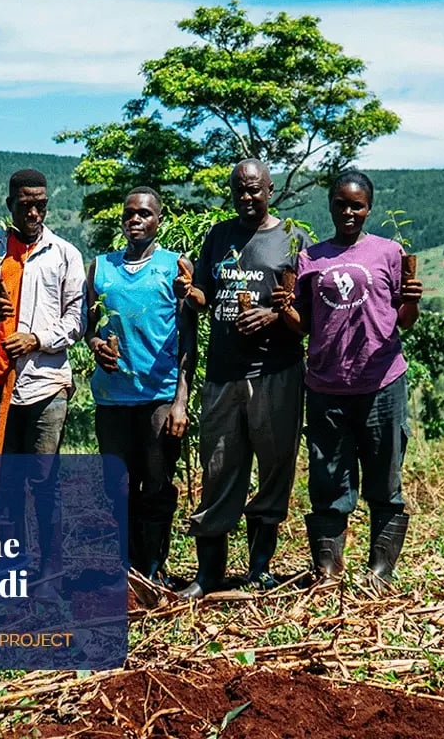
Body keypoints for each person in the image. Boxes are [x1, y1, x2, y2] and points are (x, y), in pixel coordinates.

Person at [278, 169, 422, 586]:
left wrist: (412, 302)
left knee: (384, 479)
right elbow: (302, 325)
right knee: (327, 481)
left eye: (356, 205)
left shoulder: (389, 253)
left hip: (381, 382)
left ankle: (381, 570)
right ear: (330, 205)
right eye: (341, 203)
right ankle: (328, 568)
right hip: (326, 386)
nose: (348, 211)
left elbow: (403, 320)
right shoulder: (311, 258)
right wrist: (285, 310)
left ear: (368, 208)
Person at [175, 159, 310, 598]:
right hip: (223, 375)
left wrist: (273, 315)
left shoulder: (292, 238)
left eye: (255, 190)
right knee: (217, 471)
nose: (247, 197)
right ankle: (209, 574)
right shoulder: (218, 236)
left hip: (276, 373)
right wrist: (192, 294)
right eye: (239, 190)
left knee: (274, 471)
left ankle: (259, 570)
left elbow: (305, 315)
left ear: (270, 189)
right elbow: (205, 297)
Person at [0, 168, 86, 602]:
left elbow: (76, 320)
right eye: (25, 204)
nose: (34, 212)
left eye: (41, 204)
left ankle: (50, 572)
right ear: (9, 205)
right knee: (6, 481)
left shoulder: (63, 254)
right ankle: (12, 567)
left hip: (45, 383)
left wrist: (36, 339)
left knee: (44, 479)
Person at [85, 186, 197, 587]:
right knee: (116, 484)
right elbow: (87, 327)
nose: (136, 219)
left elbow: (188, 338)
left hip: (158, 395)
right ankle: (125, 566)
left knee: (156, 483)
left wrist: (180, 401)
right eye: (130, 213)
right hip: (112, 396)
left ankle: (154, 565)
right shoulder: (101, 268)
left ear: (158, 221)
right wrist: (98, 345)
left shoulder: (174, 266)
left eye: (145, 214)